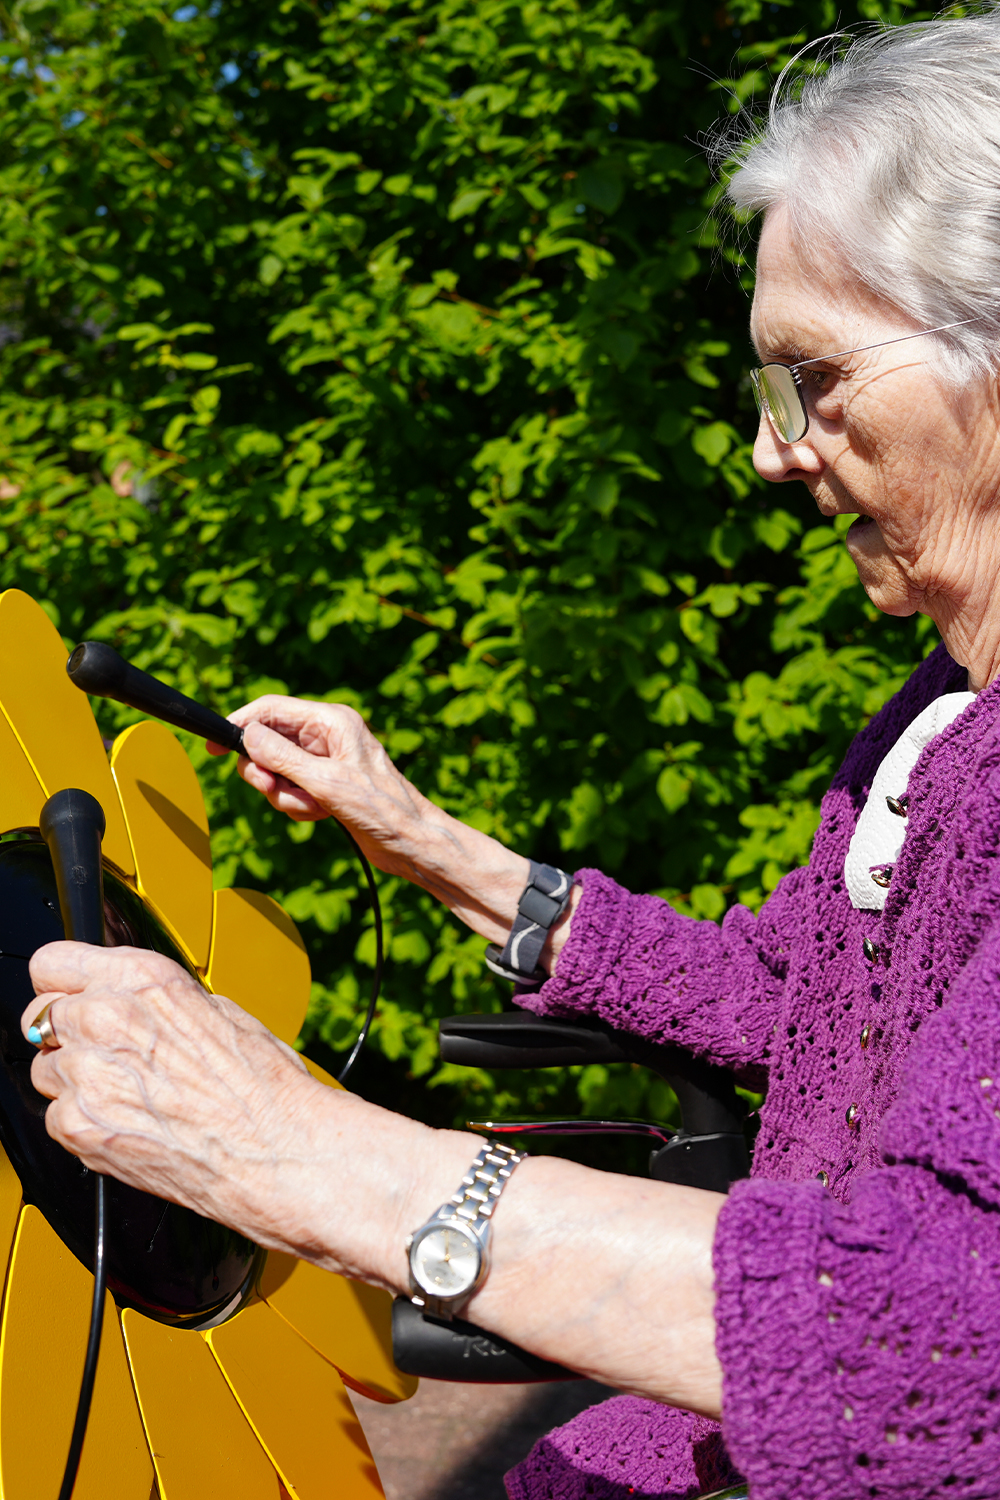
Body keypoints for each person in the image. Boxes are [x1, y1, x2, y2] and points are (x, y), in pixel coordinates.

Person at [23, 10, 1000, 1497]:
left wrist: (312, 1157)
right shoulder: (929, 727)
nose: (773, 449)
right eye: (765, 391)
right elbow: (793, 1004)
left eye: (816, 378)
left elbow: (937, 1332)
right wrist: (421, 838)